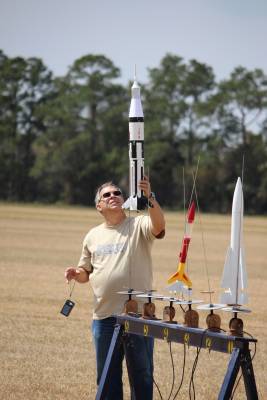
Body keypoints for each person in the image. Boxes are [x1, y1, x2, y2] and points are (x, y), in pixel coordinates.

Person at [65, 176, 165, 400]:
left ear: (124, 199)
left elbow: (159, 226)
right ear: (99, 206)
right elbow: (86, 272)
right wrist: (76, 273)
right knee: (107, 377)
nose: (113, 196)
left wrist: (150, 197)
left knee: (142, 375)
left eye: (117, 193)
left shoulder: (138, 223)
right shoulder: (92, 235)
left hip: (138, 316)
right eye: (106, 195)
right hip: (104, 317)